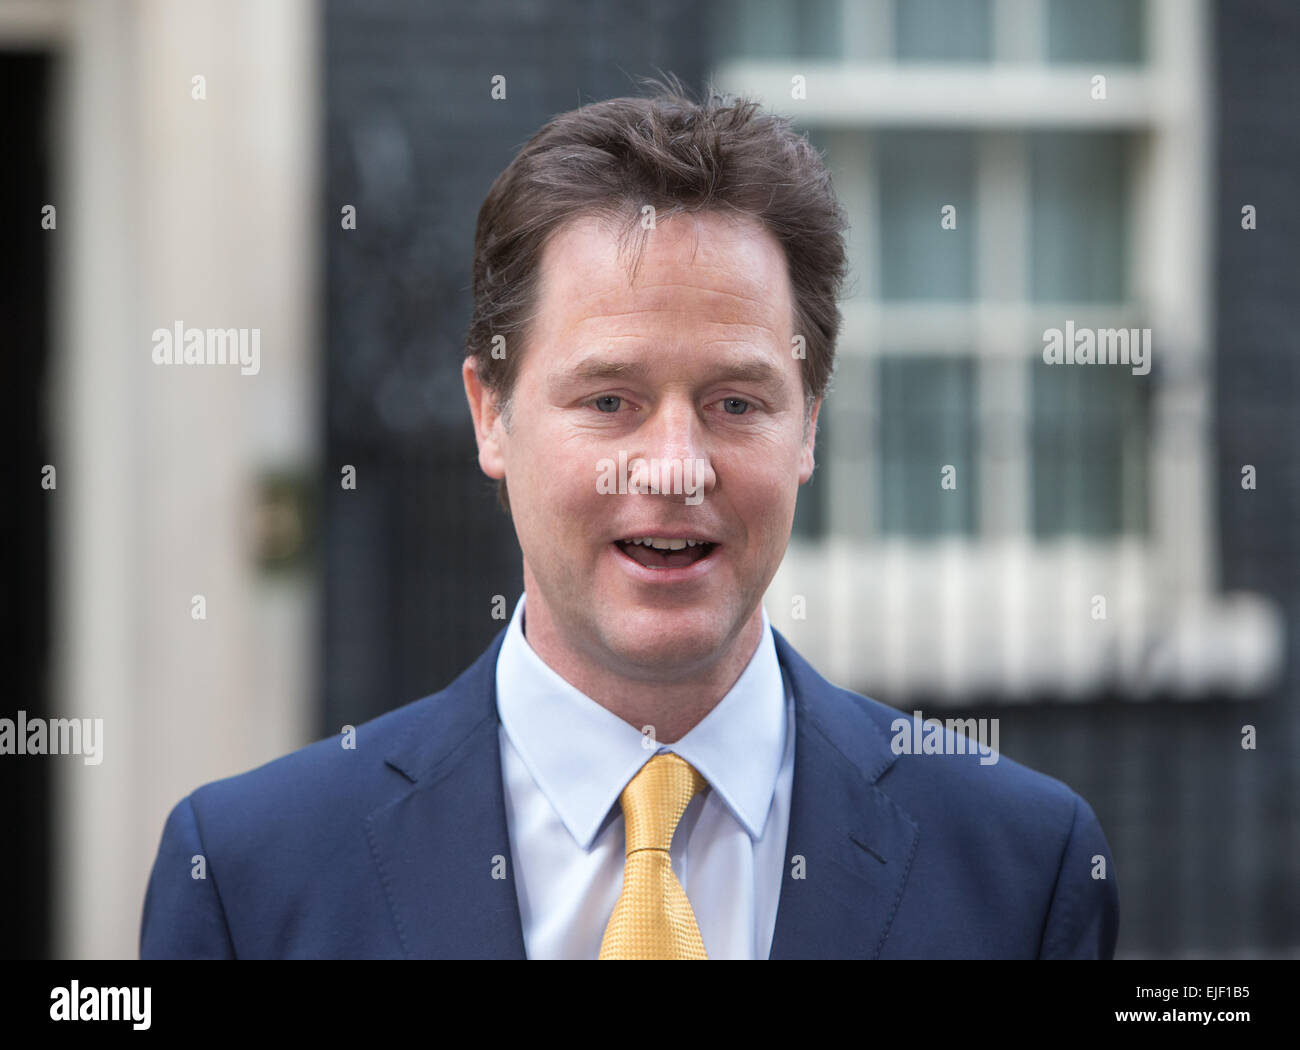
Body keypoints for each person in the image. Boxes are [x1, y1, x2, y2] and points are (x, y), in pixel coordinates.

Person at [140, 78, 1118, 959]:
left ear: (808, 424)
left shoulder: (1022, 869)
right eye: (609, 399)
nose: (676, 468)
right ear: (492, 414)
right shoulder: (248, 880)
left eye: (737, 402)